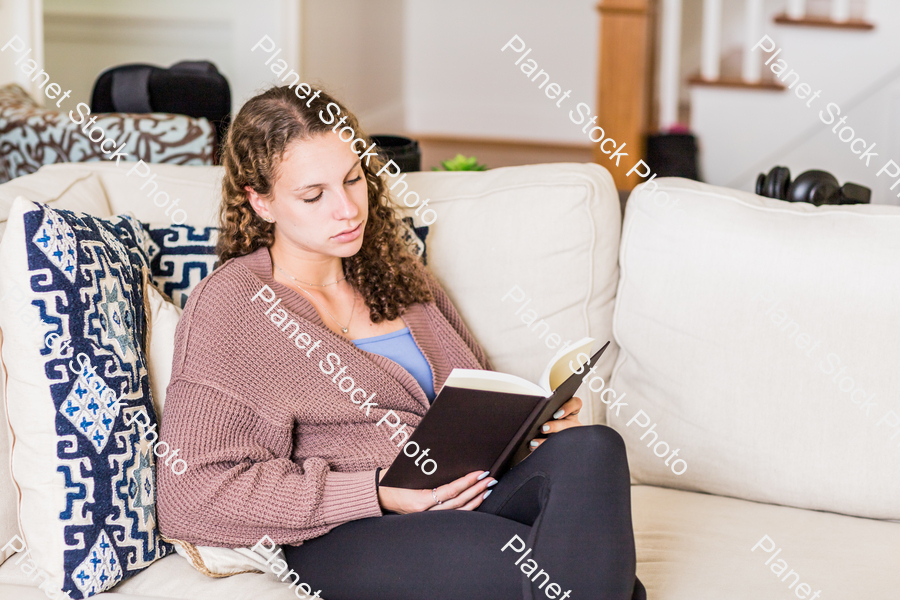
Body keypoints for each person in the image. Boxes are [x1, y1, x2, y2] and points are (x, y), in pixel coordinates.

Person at [156, 85, 645, 600]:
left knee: (593, 446)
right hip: (351, 529)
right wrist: (378, 491)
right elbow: (191, 494)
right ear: (261, 202)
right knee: (583, 575)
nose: (347, 209)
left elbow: (469, 403)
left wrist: (530, 430)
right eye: (313, 195)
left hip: (468, 491)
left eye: (352, 180)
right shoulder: (235, 304)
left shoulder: (398, 276)